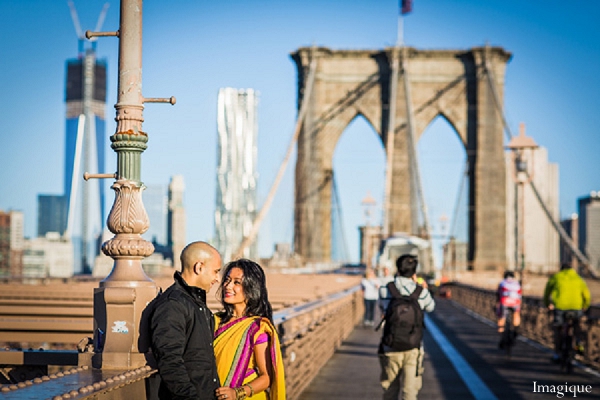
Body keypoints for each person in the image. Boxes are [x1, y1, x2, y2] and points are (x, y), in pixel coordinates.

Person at [149, 241, 222, 400]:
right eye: (216, 271)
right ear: (199, 267)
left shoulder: (198, 306)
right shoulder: (173, 305)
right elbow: (170, 362)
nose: (218, 278)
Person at [213, 259, 286, 400]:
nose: (228, 286)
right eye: (227, 280)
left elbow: (267, 377)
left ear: (251, 288)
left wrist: (237, 393)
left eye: (236, 282)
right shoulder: (215, 321)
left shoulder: (257, 328)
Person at [377, 254, 435, 400]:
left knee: (390, 390)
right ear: (414, 272)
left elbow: (382, 307)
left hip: (390, 344)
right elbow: (431, 307)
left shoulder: (386, 289)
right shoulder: (420, 292)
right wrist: (423, 288)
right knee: (410, 391)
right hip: (413, 346)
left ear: (397, 269)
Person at [543, 263, 591, 361]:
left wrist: (547, 304)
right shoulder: (579, 278)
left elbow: (547, 292)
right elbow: (587, 295)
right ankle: (579, 343)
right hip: (576, 307)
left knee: (558, 328)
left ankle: (557, 353)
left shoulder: (556, 277)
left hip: (560, 307)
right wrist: (585, 306)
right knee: (577, 325)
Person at [496, 270, 522, 348]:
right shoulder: (516, 283)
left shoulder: (502, 282)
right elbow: (519, 295)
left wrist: (497, 305)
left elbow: (498, 295)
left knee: (502, 317)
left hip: (505, 301)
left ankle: (502, 336)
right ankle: (516, 330)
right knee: (516, 314)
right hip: (515, 302)